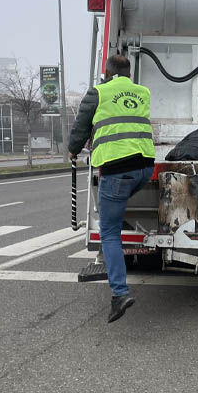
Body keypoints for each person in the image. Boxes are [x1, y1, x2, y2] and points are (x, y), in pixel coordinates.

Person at [68, 55, 155, 323]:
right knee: (115, 209)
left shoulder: (99, 92)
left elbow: (82, 124)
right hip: (145, 168)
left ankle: (119, 294)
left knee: (109, 231)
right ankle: (117, 211)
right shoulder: (143, 92)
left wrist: (72, 150)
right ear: (129, 73)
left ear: (106, 73)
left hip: (117, 170)